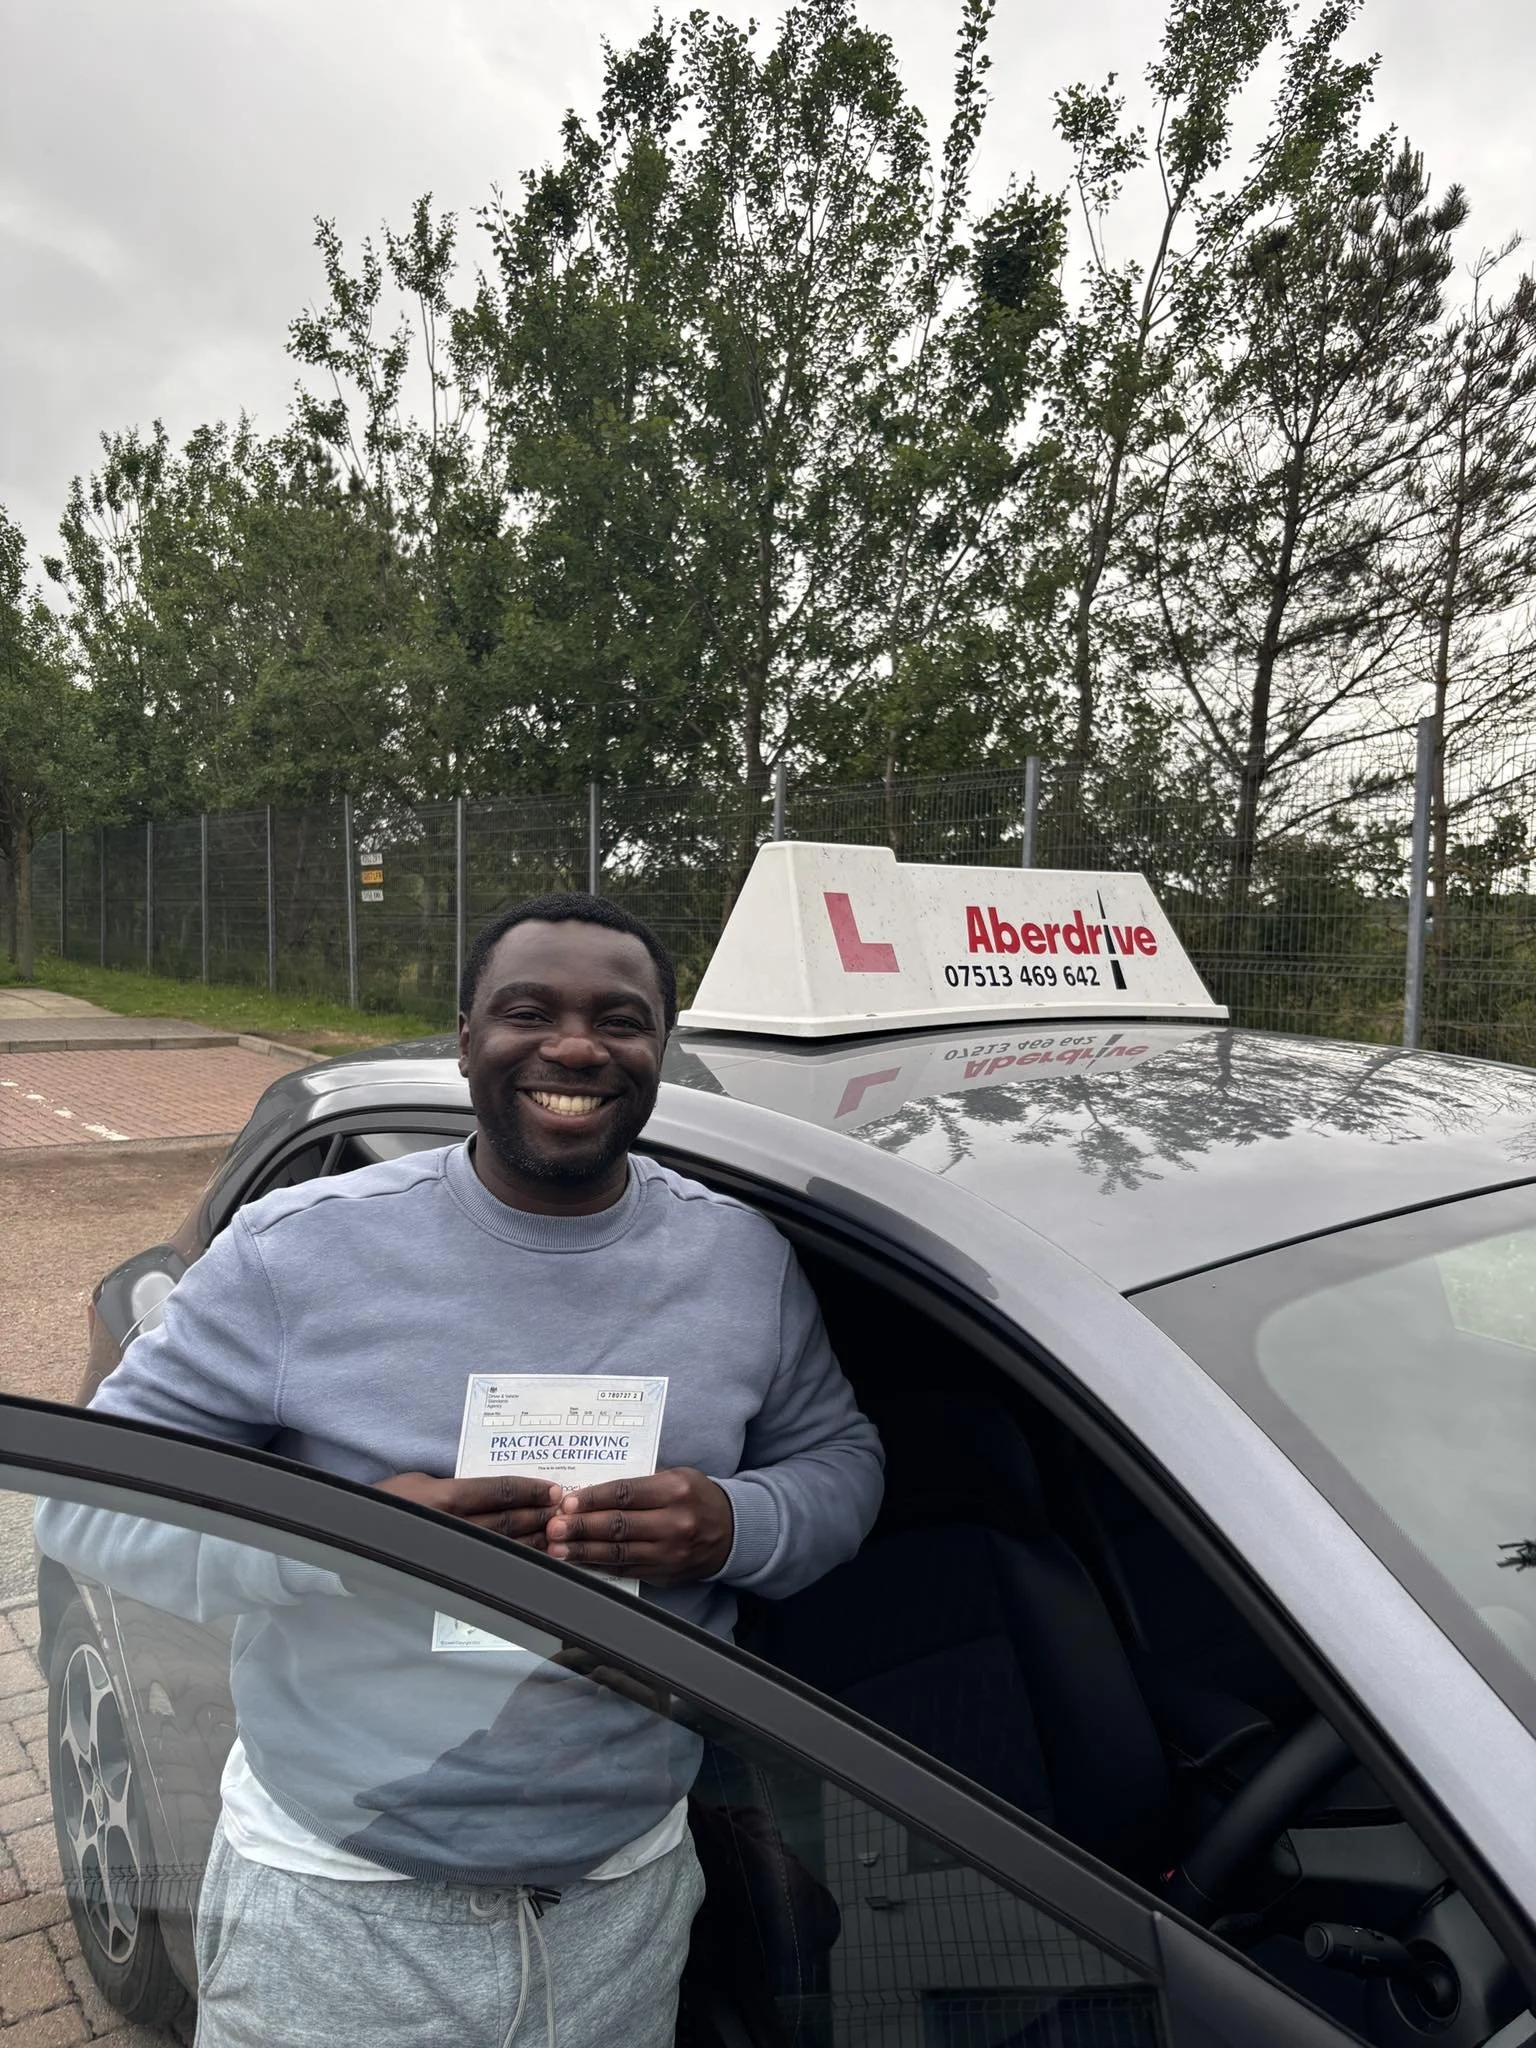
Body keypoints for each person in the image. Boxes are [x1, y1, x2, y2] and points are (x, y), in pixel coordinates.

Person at [37, 893, 884, 2048]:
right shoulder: (299, 1253)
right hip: (336, 1896)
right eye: (527, 1010)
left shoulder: (743, 1261)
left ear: (659, 1050)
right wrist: (352, 1538)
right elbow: (90, 1506)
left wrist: (733, 1522)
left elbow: (844, 1464)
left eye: (619, 1019)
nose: (575, 1046)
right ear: (465, 1036)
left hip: (625, 1885)